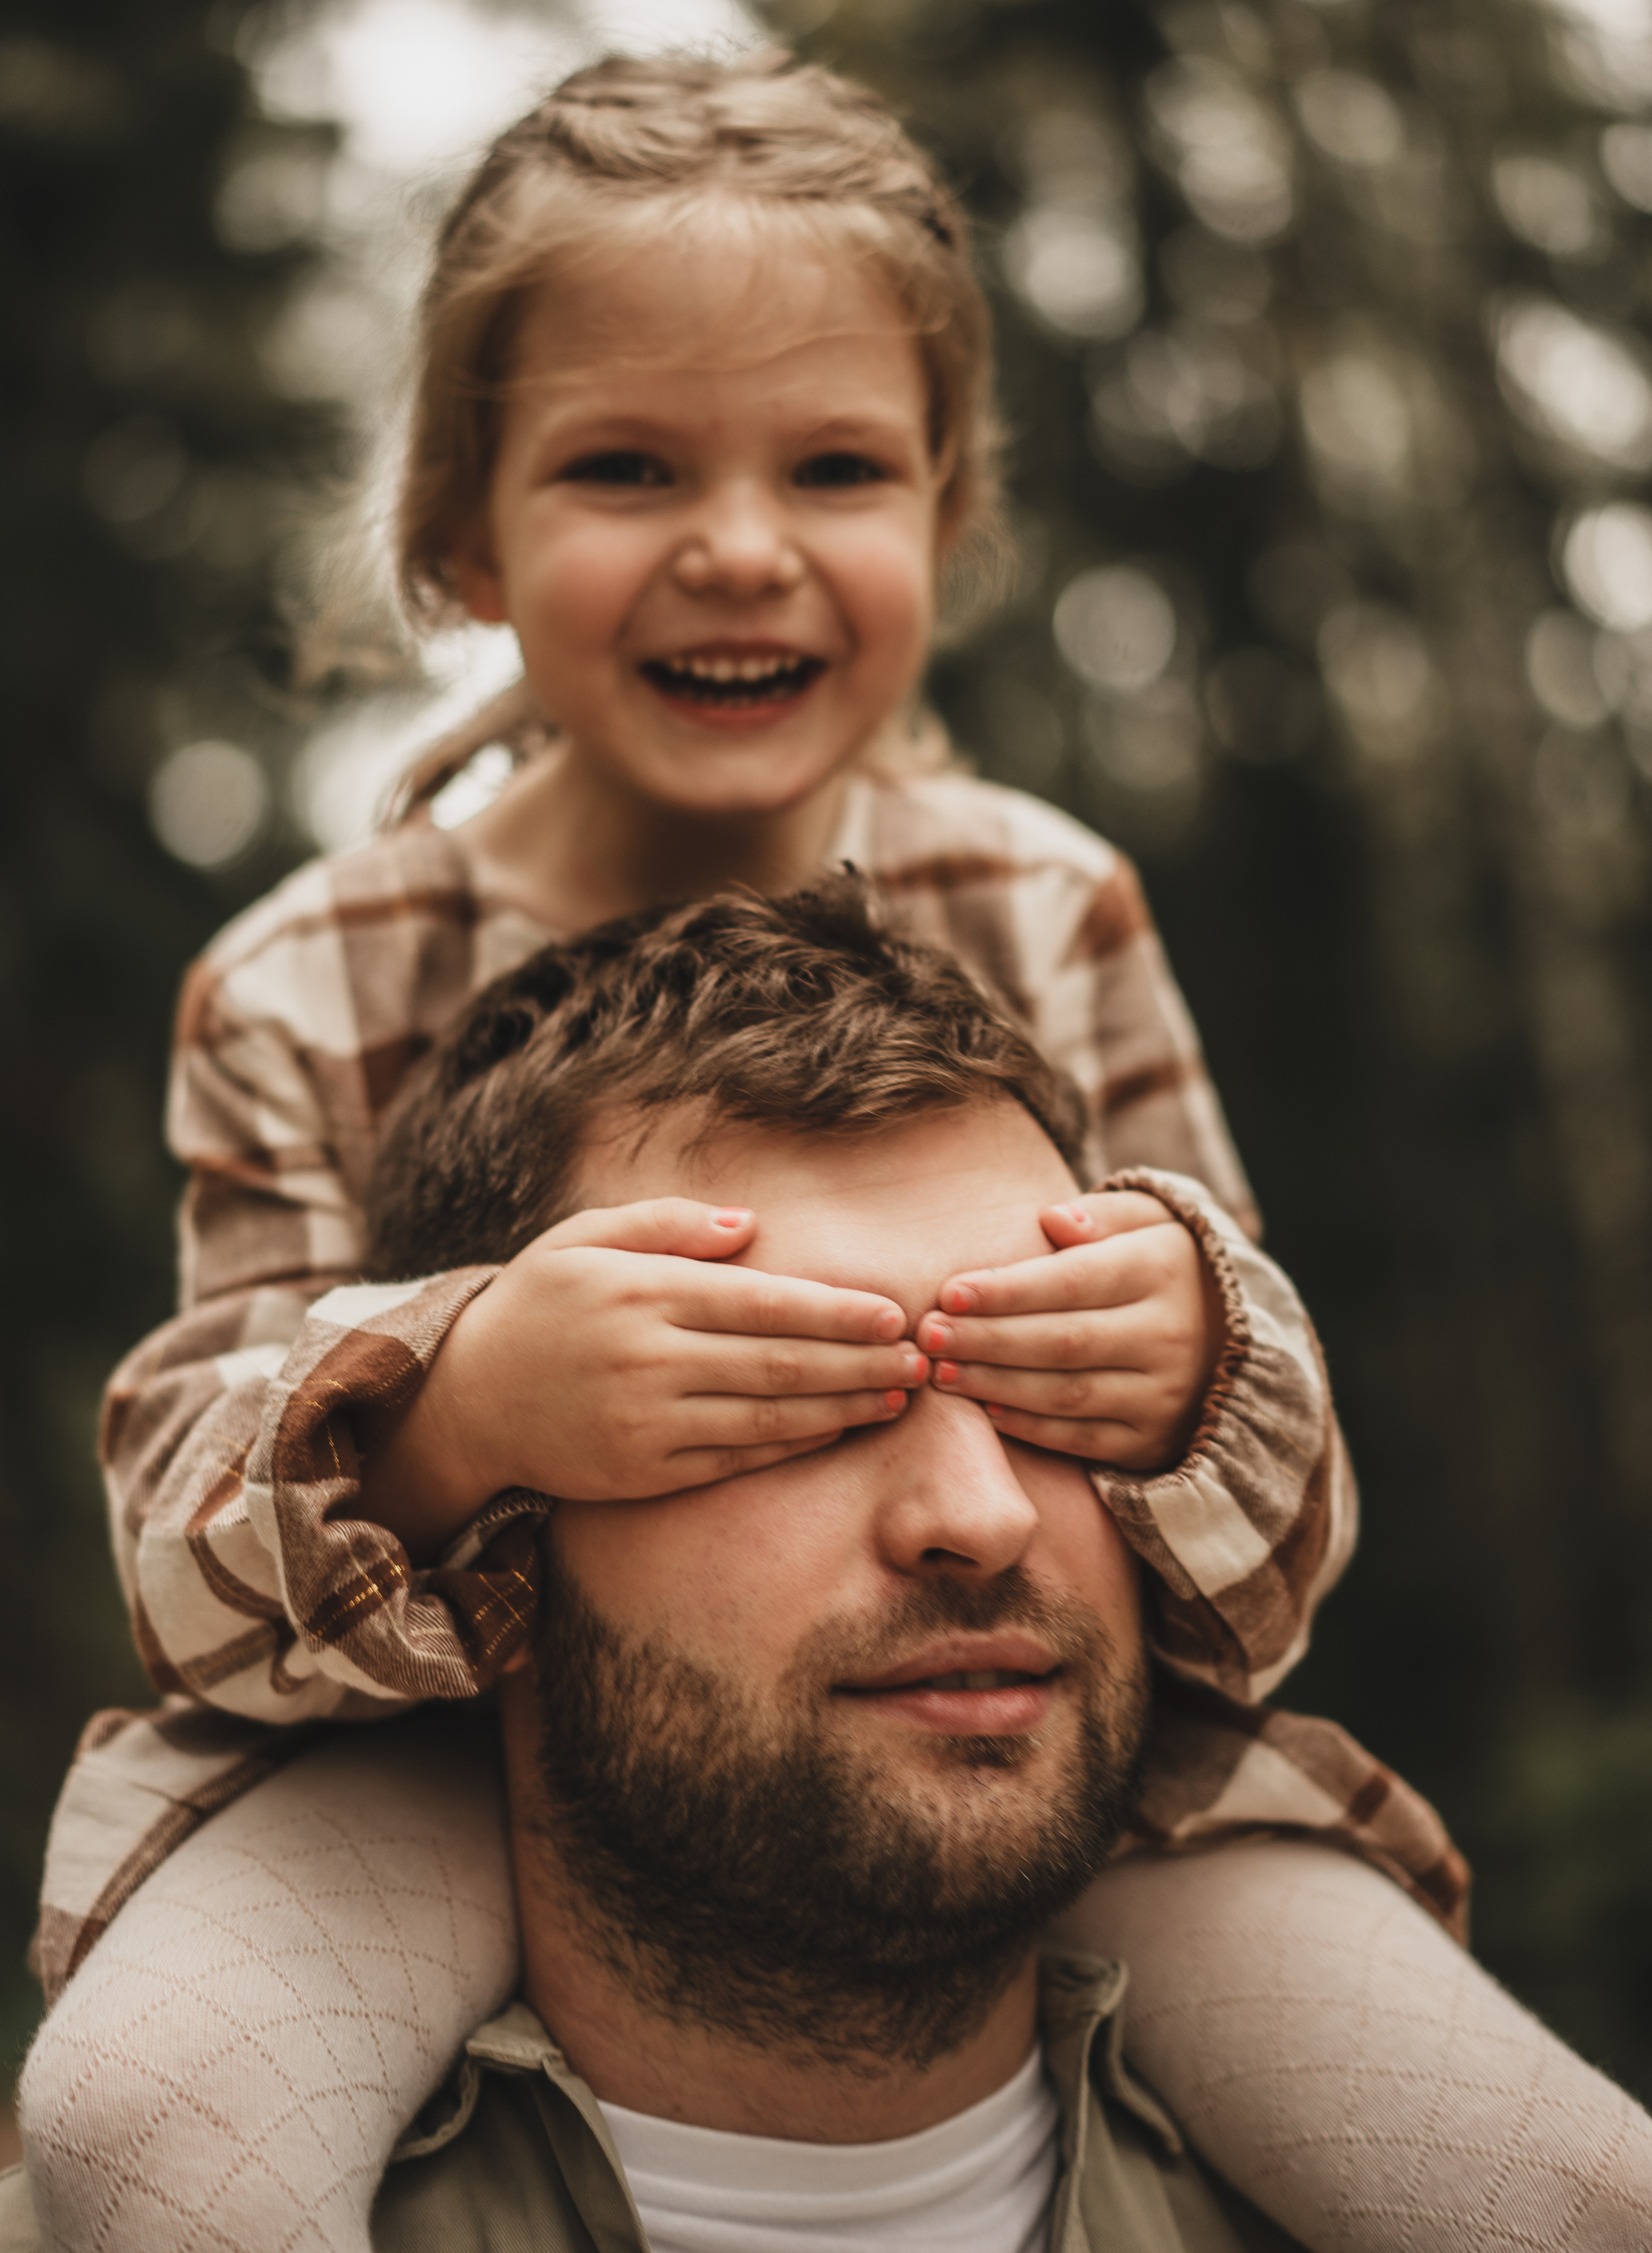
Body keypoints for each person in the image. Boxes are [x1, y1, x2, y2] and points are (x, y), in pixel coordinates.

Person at [19, 50, 1461, 2251]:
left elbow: (1287, 1527)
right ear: (459, 532)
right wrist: (466, 1403)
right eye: (625, 464)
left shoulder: (1048, 907)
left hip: (1055, 1763)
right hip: (412, 1777)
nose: (740, 546)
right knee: (150, 2138)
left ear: (946, 515)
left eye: (837, 466)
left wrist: (1197, 1367)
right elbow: (184, 1560)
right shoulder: (315, 976)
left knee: (1529, 2170)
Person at [14, 882, 1652, 2252]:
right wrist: (430, 1416)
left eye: (1055, 1386)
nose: (981, 1514)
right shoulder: (310, 985)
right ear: (484, 1547)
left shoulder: (1053, 898)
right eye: (776, 1398)